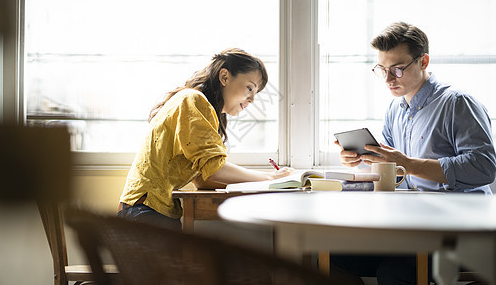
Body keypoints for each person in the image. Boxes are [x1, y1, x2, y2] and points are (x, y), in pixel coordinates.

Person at [332, 22, 496, 284]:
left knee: (393, 273)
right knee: (332, 259)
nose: (388, 79)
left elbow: (484, 167)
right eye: (382, 70)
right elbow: (389, 169)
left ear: (423, 62)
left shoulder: (457, 103)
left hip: (458, 232)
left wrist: (408, 164)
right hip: (411, 228)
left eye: (397, 69)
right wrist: (360, 160)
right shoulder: (395, 110)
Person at [117, 48, 294, 230]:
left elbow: (203, 178)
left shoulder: (202, 108)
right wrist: (270, 178)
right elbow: (215, 171)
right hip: (145, 211)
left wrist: (257, 180)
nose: (252, 100)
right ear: (224, 77)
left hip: (149, 210)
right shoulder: (194, 101)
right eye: (250, 88)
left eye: (256, 93)